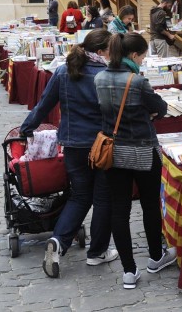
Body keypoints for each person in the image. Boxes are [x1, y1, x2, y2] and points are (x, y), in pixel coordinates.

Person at [19, 29, 117, 278]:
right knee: (103, 198)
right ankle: (97, 253)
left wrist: (26, 128)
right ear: (101, 51)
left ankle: (59, 242)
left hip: (73, 145)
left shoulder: (64, 71)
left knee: (80, 196)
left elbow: (44, 104)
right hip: (101, 146)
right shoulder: (106, 75)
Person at [94, 33, 176, 289]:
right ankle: (155, 256)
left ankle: (129, 271)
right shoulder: (138, 82)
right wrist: (148, 111)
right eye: (142, 55)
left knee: (120, 209)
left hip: (114, 151)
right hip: (142, 149)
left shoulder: (99, 78)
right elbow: (160, 108)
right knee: (150, 205)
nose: (143, 60)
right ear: (133, 55)